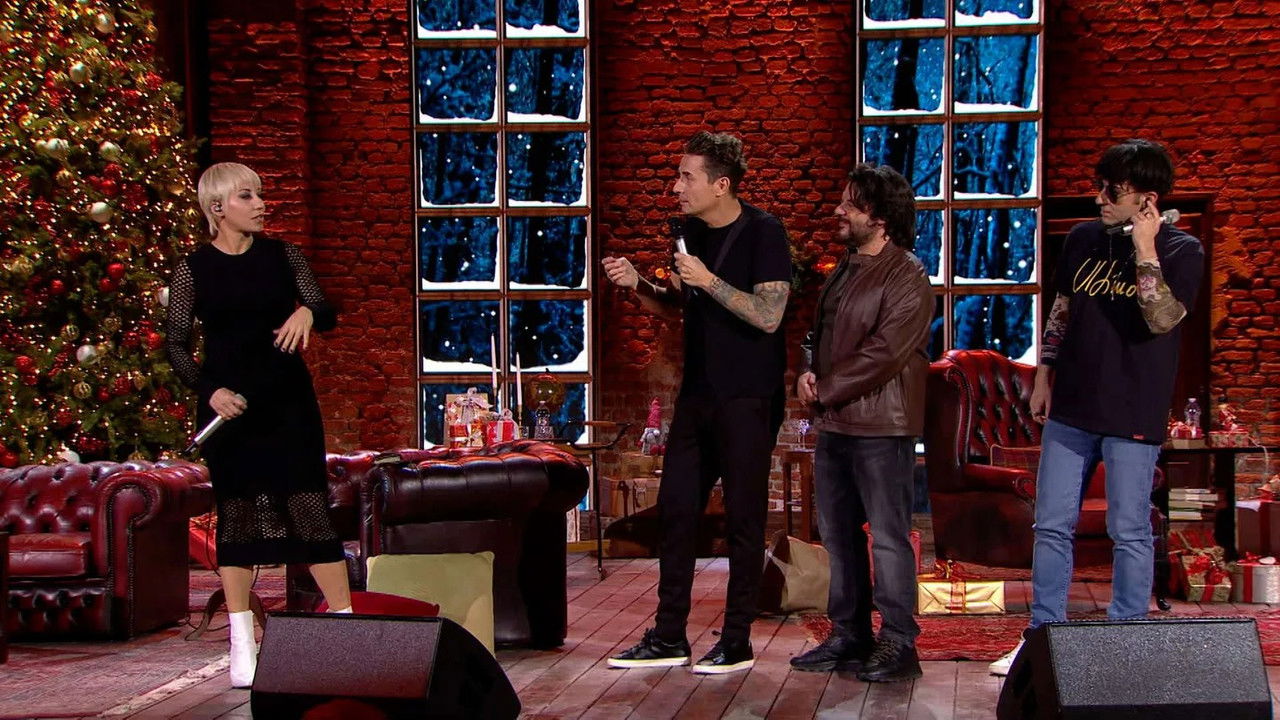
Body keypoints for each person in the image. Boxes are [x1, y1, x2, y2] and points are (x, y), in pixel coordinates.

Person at [989, 139, 1205, 676]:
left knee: (1128, 529)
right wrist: (1044, 376)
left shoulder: (1183, 251)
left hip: (1133, 410)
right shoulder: (1083, 239)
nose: (1099, 198)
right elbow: (1061, 310)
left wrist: (1146, 248)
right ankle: (1041, 636)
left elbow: (1161, 319)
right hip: (1073, 406)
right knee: (1051, 524)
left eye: (1112, 191)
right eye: (1100, 187)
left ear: (1147, 199)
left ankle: (1126, 642)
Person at [602, 131, 791, 674]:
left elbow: (769, 316)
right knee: (678, 511)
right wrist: (639, 285)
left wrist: (708, 280)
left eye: (687, 177)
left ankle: (736, 641)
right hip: (698, 395)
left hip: (748, 397)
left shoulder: (764, 232)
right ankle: (669, 637)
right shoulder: (689, 234)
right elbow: (678, 307)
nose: (676, 187)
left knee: (744, 521)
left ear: (721, 184)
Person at [166, 162, 353, 688]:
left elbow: (324, 307)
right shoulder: (194, 269)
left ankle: (347, 635)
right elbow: (176, 344)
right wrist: (210, 392)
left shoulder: (283, 256)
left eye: (260, 194)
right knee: (239, 519)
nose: (261, 204)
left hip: (289, 405)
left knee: (311, 512)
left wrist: (308, 313)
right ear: (217, 207)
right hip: (230, 412)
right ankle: (242, 645)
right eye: (247, 196)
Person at [787, 164, 932, 682]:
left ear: (880, 216)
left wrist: (826, 387)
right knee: (837, 534)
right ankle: (849, 634)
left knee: (888, 537)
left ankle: (898, 642)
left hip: (882, 426)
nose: (839, 211)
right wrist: (807, 370)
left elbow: (886, 352)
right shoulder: (845, 268)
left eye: (850, 203)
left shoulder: (907, 274)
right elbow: (817, 334)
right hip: (837, 423)